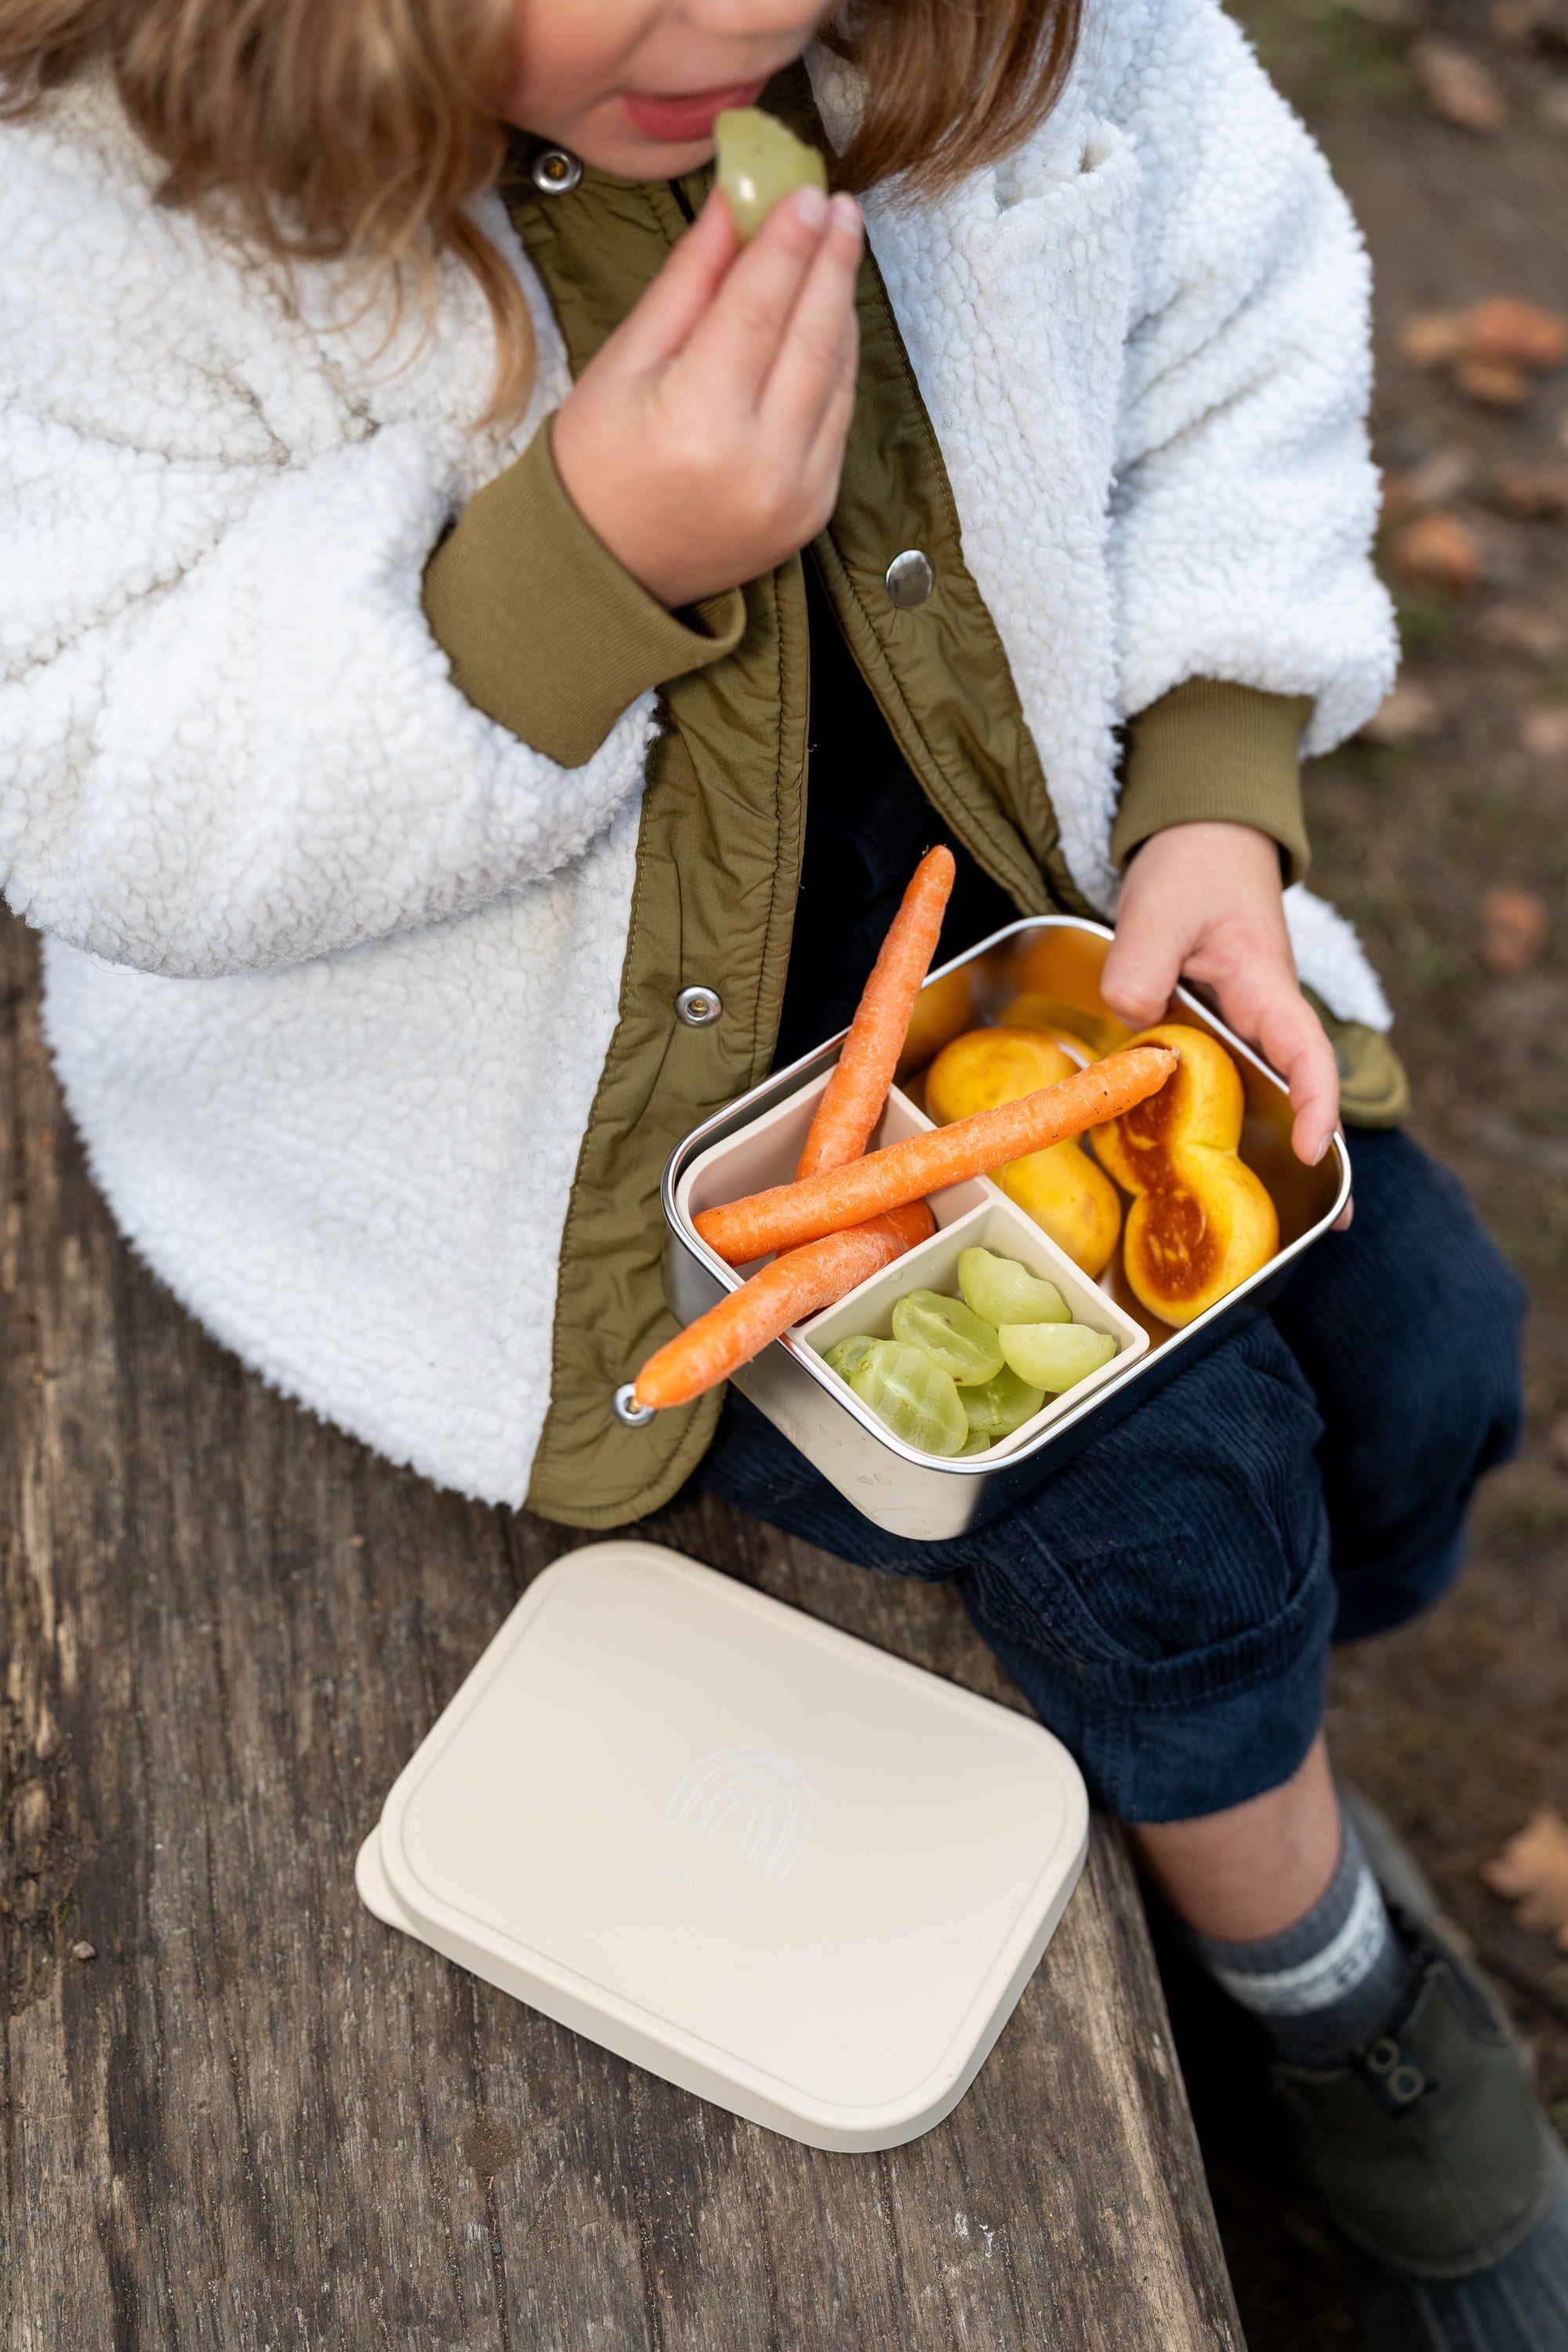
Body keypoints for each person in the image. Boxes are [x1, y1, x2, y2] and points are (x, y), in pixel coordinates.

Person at [1, 1, 1561, 2340]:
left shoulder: (1008, 40)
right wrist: (577, 564)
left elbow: (1233, 320)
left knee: (1428, 1348)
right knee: (1175, 1511)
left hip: (1013, 900)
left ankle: (1232, 1775)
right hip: (525, 1072)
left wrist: (1219, 783)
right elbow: (95, 769)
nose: (736, 19)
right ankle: (1322, 1980)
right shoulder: (107, 226)